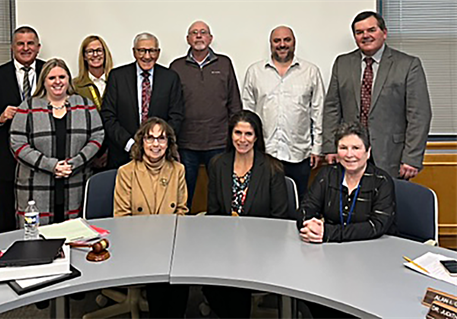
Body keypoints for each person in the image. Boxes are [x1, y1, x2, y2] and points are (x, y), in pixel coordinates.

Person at [297, 122, 396, 318]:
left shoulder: (382, 182)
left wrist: (327, 234)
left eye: (356, 148)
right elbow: (305, 209)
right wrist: (310, 224)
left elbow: (377, 226)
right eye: (343, 148)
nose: (349, 154)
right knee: (312, 295)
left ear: (368, 152)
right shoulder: (327, 175)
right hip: (332, 259)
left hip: (373, 262)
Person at [322, 11, 432, 180]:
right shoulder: (342, 64)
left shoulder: (408, 65)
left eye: (371, 30)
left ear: (384, 33)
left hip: (392, 156)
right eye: (359, 32)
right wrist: (330, 147)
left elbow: (419, 115)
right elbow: (332, 109)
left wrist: (412, 157)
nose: (365, 35)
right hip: (351, 156)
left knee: (389, 204)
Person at [204, 110, 288, 319]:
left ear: (257, 137)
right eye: (237, 133)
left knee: (235, 285)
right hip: (225, 245)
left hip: (261, 247)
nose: (242, 139)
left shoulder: (272, 168)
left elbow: (281, 219)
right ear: (230, 135)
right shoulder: (217, 165)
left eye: (248, 134)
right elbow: (213, 212)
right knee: (207, 283)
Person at [10, 58, 104, 225]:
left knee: (75, 237)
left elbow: (97, 136)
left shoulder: (84, 105)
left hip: (76, 182)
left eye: (62, 77)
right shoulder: (28, 107)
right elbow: (18, 143)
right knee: (37, 241)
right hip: (36, 186)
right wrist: (51, 165)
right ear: (43, 81)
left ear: (69, 79)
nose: (57, 82)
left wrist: (74, 163)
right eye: (52, 78)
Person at [113, 117, 188, 318]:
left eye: (161, 139)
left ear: (169, 143)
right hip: (137, 244)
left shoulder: (177, 170)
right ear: (142, 142)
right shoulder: (126, 172)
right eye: (150, 138)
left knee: (181, 279)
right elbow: (121, 218)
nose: (156, 144)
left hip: (170, 243)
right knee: (160, 283)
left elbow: (181, 211)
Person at [0, 26, 45, 234]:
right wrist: (0, 117)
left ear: (38, 47)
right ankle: (5, 257)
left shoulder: (50, 73)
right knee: (6, 213)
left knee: (41, 210)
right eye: (20, 44)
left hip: (43, 157)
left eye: (30, 43)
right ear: (12, 47)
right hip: (7, 159)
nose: (25, 48)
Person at [242, 25, 325, 200]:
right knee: (263, 201)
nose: (282, 44)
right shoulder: (255, 72)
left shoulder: (310, 72)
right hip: (265, 152)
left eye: (287, 40)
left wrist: (317, 148)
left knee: (298, 201)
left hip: (299, 153)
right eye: (277, 40)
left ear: (294, 42)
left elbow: (318, 112)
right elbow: (246, 114)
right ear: (270, 43)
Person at [170, 20, 242, 209]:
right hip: (187, 144)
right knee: (185, 195)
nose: (199, 35)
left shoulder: (224, 63)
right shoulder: (176, 67)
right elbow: (171, 107)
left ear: (210, 38)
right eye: (194, 32)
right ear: (188, 39)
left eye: (203, 32)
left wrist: (235, 137)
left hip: (219, 142)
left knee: (221, 193)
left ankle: (221, 231)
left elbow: (234, 103)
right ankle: (182, 233)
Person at [101, 32, 184, 169]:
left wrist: (156, 144)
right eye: (141, 51)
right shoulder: (117, 77)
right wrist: (130, 144)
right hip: (122, 155)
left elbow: (176, 116)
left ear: (158, 53)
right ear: (134, 52)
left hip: (159, 158)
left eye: (151, 51)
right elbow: (108, 116)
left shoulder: (170, 78)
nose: (147, 56)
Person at [73, 35, 114, 171]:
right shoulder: (75, 86)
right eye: (90, 51)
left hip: (114, 148)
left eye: (99, 50)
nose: (95, 55)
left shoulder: (118, 80)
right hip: (87, 150)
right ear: (84, 56)